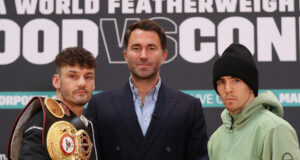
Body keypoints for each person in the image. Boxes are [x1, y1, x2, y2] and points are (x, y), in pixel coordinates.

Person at [85, 19, 209, 160]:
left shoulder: (189, 107)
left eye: (151, 48)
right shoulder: (100, 105)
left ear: (164, 55)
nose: (143, 55)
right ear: (126, 55)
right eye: (136, 48)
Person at [208, 43, 300, 159]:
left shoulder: (275, 129)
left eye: (236, 80)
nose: (227, 89)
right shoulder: (216, 139)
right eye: (221, 82)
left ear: (251, 86)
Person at [7, 47, 98, 160]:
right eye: (73, 76)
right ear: (57, 81)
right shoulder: (42, 123)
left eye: (88, 77)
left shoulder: (89, 126)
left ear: (94, 84)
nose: (82, 83)